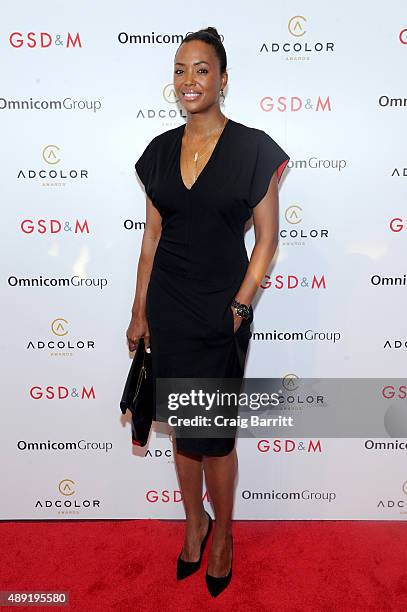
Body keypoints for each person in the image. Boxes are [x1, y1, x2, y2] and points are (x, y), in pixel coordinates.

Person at [127, 26, 290, 597]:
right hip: (168, 306)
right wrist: (139, 310)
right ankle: (192, 520)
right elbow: (151, 237)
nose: (188, 80)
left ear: (223, 79)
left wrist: (240, 307)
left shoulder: (252, 149)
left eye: (200, 69)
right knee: (183, 430)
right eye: (180, 69)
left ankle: (222, 533)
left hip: (222, 312)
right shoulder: (158, 151)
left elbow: (267, 239)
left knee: (214, 434)